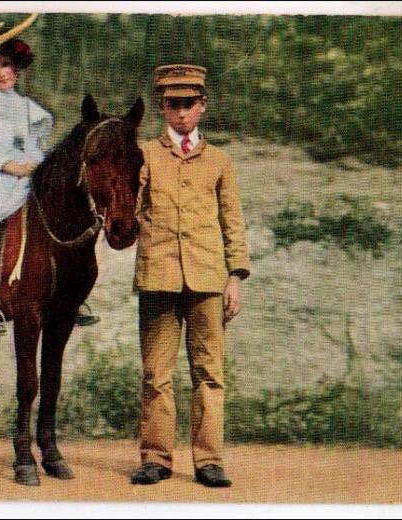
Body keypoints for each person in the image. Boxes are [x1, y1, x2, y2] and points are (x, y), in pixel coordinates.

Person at [130, 64, 251, 488]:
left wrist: (234, 276)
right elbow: (128, 207)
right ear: (162, 108)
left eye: (188, 104)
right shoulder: (144, 154)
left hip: (207, 281)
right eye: (172, 104)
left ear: (203, 106)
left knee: (210, 373)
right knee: (156, 373)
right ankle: (156, 458)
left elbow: (232, 221)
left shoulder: (219, 160)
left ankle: (209, 461)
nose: (180, 113)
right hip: (157, 278)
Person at [0, 14, 99, 336]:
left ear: (17, 66)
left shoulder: (28, 107)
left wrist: (38, 166)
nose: (1, 73)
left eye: (6, 65)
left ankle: (72, 293)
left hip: (27, 169)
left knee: (62, 209)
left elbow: (33, 145)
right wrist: (6, 164)